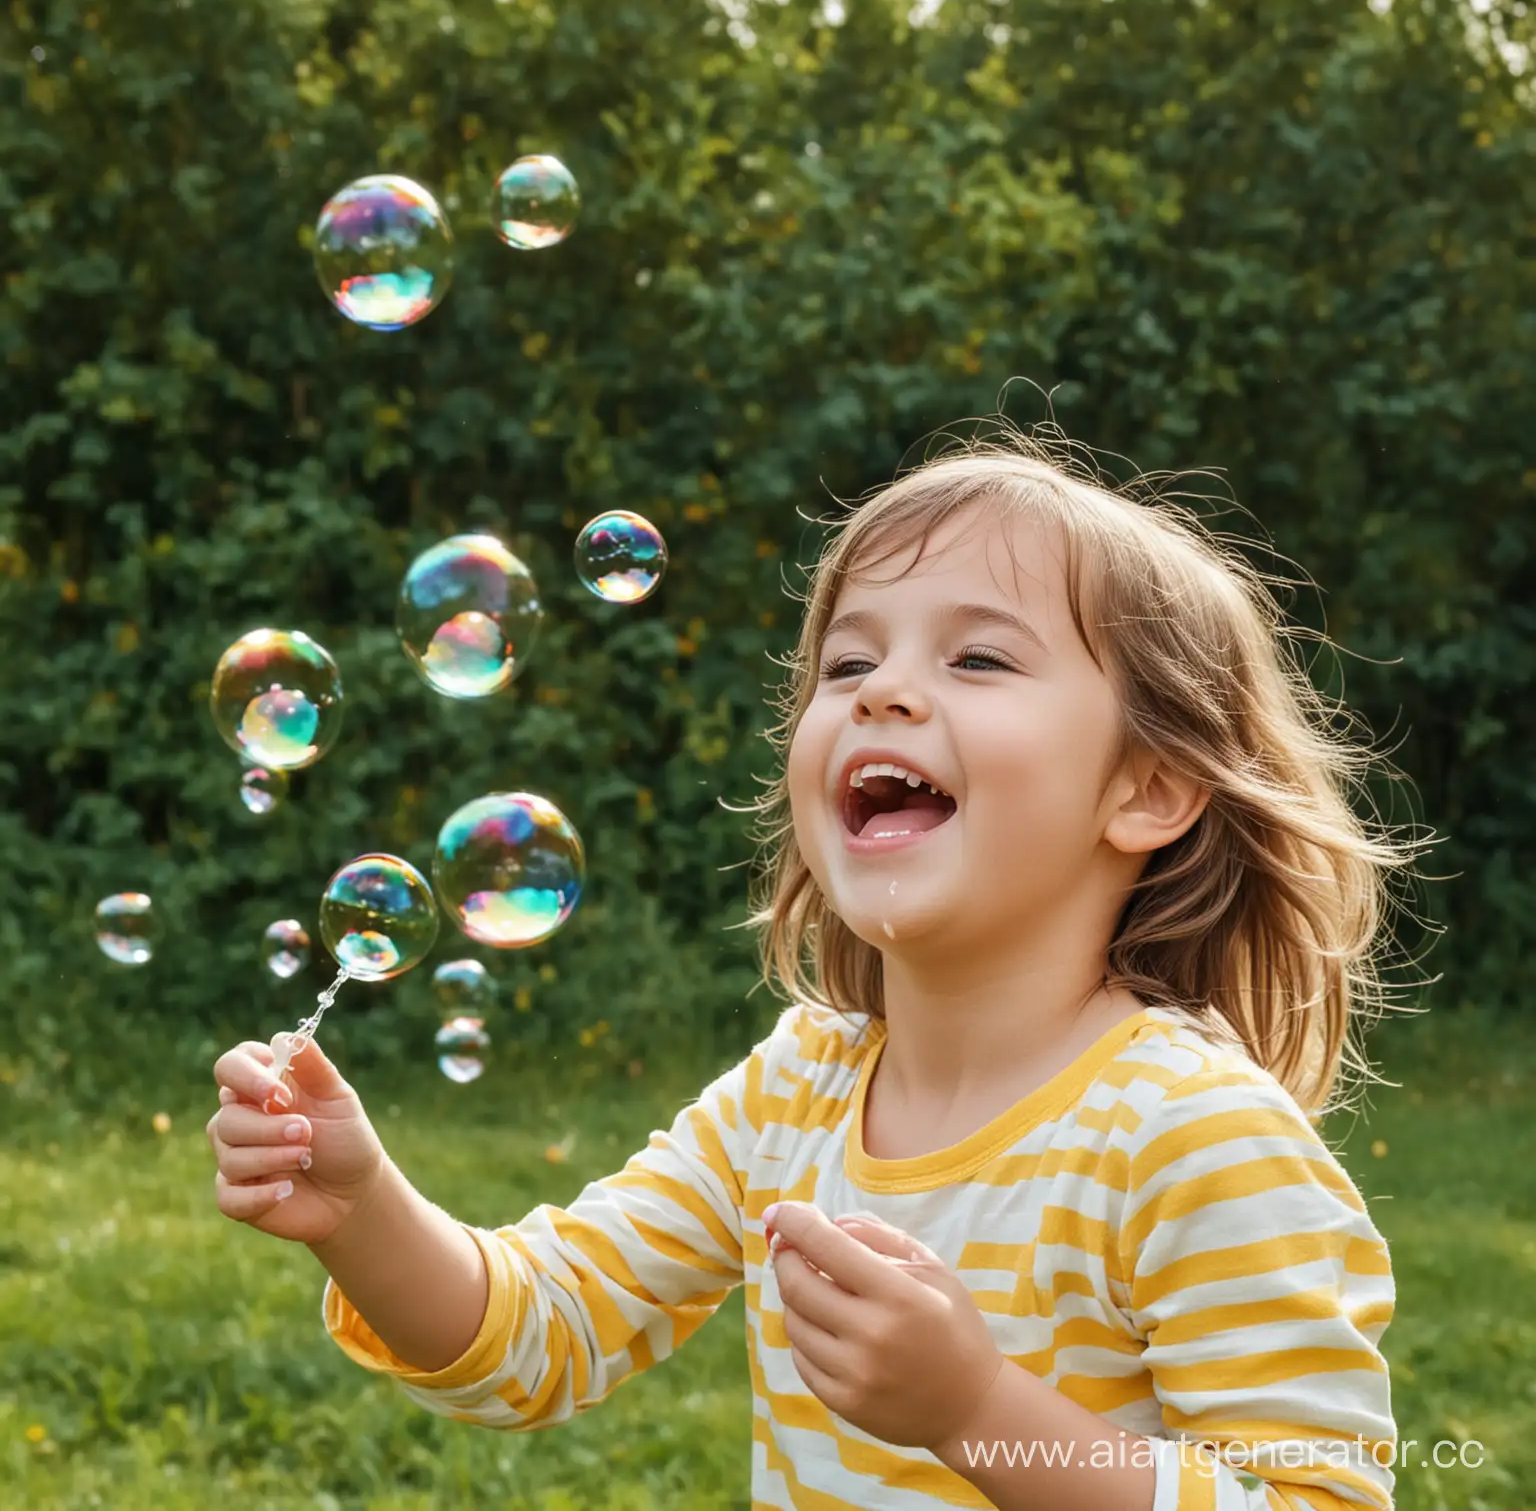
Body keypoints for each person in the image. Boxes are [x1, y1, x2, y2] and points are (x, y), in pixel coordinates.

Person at [209, 427, 1428, 1510]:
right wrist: (362, 1213)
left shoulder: (1189, 1135)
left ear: (1148, 789)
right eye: (847, 665)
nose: (883, 692)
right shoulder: (796, 1091)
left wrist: (975, 1411)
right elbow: (543, 1332)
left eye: (980, 661)